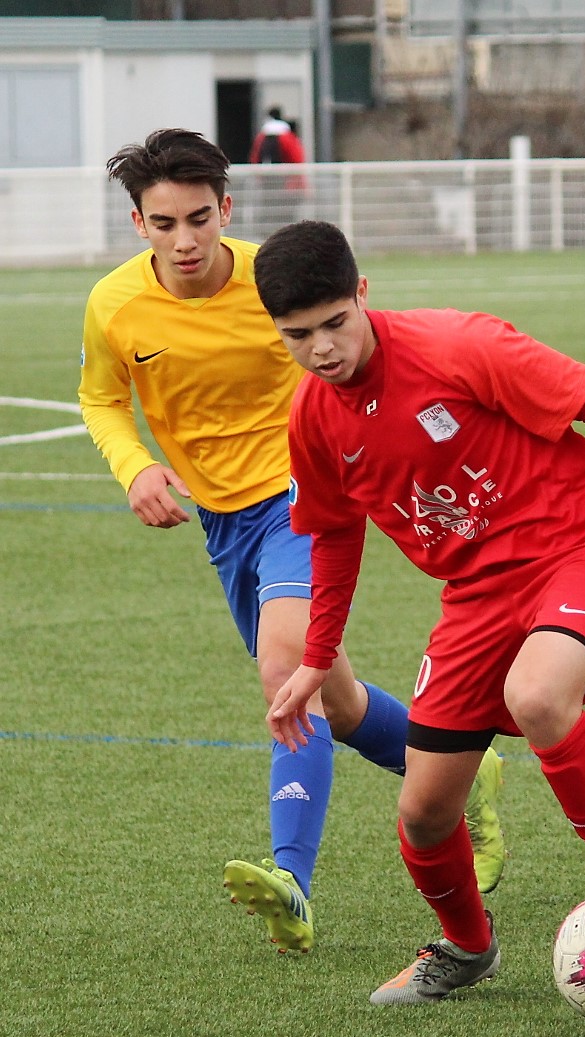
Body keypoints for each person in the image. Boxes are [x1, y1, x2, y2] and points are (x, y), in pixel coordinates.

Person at [78, 128, 505, 956]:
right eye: (164, 224)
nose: (187, 239)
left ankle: (292, 883)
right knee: (335, 702)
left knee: (286, 672)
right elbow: (101, 399)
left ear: (227, 208)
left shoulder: (272, 285)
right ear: (138, 224)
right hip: (224, 521)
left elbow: (353, 353)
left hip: (305, 496)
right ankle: (462, 772)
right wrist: (135, 467)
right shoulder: (113, 306)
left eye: (200, 217)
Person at [252, 219, 585, 1005]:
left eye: (335, 324)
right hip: (476, 597)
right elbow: (335, 535)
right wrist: (319, 654)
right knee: (422, 813)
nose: (321, 349)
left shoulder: (456, 346)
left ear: (363, 294)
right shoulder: (314, 418)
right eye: (297, 335)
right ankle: (467, 946)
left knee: (539, 694)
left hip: (578, 543)